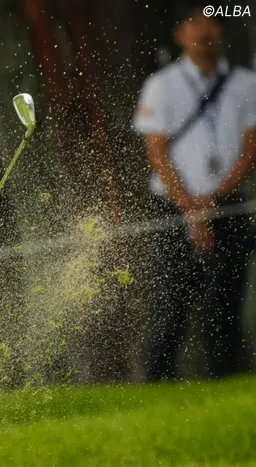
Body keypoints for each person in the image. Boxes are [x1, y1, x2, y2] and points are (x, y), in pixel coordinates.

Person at [133, 0, 256, 381]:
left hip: (229, 206)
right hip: (173, 208)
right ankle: (157, 383)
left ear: (223, 31)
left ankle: (224, 379)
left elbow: (250, 148)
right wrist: (191, 208)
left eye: (212, 23)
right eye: (194, 23)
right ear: (179, 34)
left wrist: (213, 201)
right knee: (172, 300)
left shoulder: (246, 84)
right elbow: (157, 153)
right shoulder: (161, 85)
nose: (204, 31)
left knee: (226, 300)